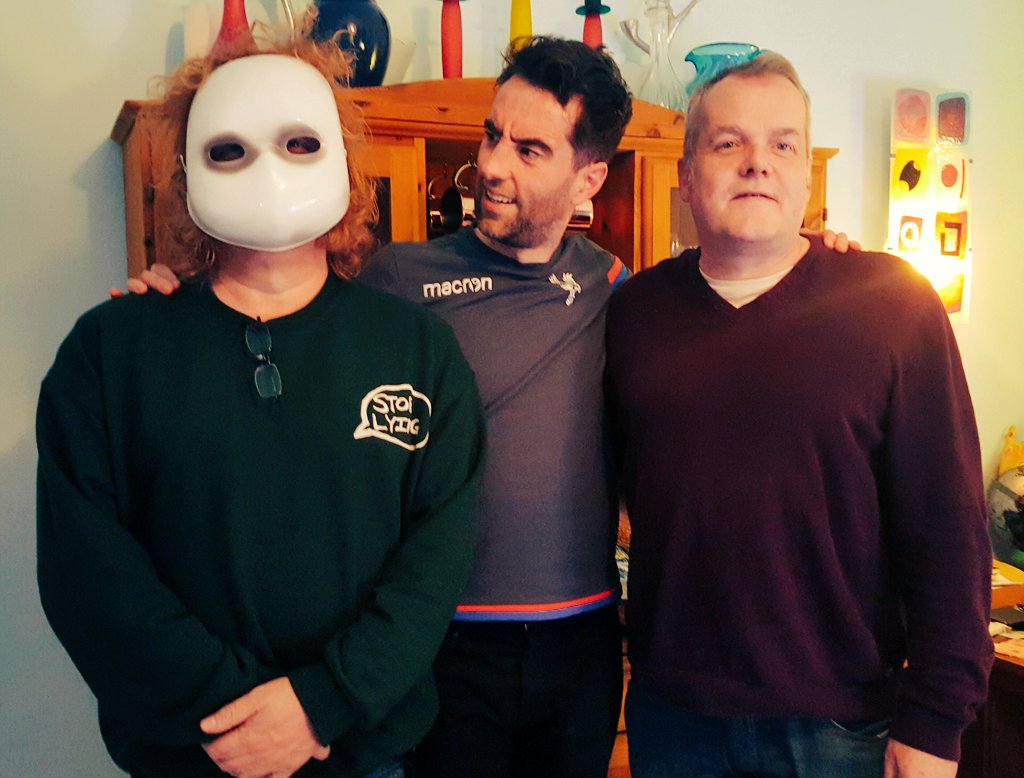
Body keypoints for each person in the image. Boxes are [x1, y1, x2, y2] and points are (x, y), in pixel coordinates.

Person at [125, 37, 855, 777]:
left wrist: (821, 256)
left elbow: (735, 313)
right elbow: (281, 318)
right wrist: (181, 302)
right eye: (492, 134)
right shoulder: (397, 279)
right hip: (441, 643)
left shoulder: (620, 291)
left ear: (589, 178)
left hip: (582, 644)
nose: (493, 165)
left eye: (530, 150)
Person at [36, 32, 485, 778]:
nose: (269, 169)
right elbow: (88, 572)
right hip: (190, 755)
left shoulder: (420, 352)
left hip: (362, 752)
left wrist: (323, 703)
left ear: (344, 162)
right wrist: (234, 711)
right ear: (187, 171)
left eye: (300, 143)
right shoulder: (108, 354)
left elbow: (437, 561)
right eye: (229, 150)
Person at [605, 50, 993, 777]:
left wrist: (938, 722)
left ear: (807, 175)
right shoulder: (632, 316)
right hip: (672, 719)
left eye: (783, 145)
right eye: (728, 142)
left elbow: (949, 526)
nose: (757, 162)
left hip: (842, 728)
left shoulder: (893, 304)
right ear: (686, 176)